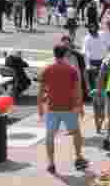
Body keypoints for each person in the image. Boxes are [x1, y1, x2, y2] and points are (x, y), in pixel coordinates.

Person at [37, 44, 88, 174]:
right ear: (65, 54)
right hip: (69, 107)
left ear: (54, 54)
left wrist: (40, 109)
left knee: (49, 135)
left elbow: (41, 92)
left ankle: (51, 163)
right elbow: (78, 90)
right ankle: (78, 157)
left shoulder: (46, 69)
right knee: (76, 132)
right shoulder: (72, 70)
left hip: (52, 108)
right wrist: (80, 106)